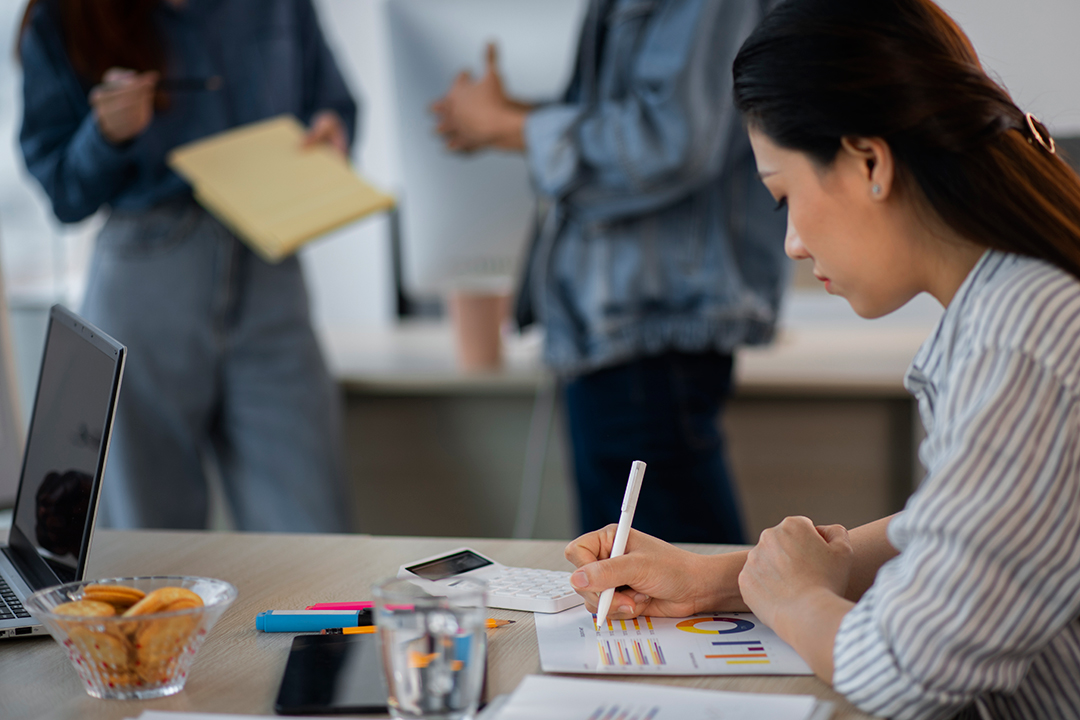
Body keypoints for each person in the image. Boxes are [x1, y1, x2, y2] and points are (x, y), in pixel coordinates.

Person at [564, 0, 1080, 717]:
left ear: (870, 161)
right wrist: (720, 579)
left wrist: (796, 598)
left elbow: (906, 667)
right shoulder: (1012, 304)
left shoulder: (1020, 340)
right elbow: (963, 535)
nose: (794, 246)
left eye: (783, 198)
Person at [431, 0, 788, 544]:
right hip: (620, 326)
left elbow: (672, 140)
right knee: (646, 591)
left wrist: (513, 127)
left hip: (649, 325)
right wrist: (520, 120)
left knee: (672, 600)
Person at [17, 0, 356, 532]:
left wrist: (331, 132)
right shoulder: (64, 16)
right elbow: (64, 194)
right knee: (148, 542)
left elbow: (334, 104)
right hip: (145, 277)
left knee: (314, 528)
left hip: (268, 266)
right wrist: (104, 136)